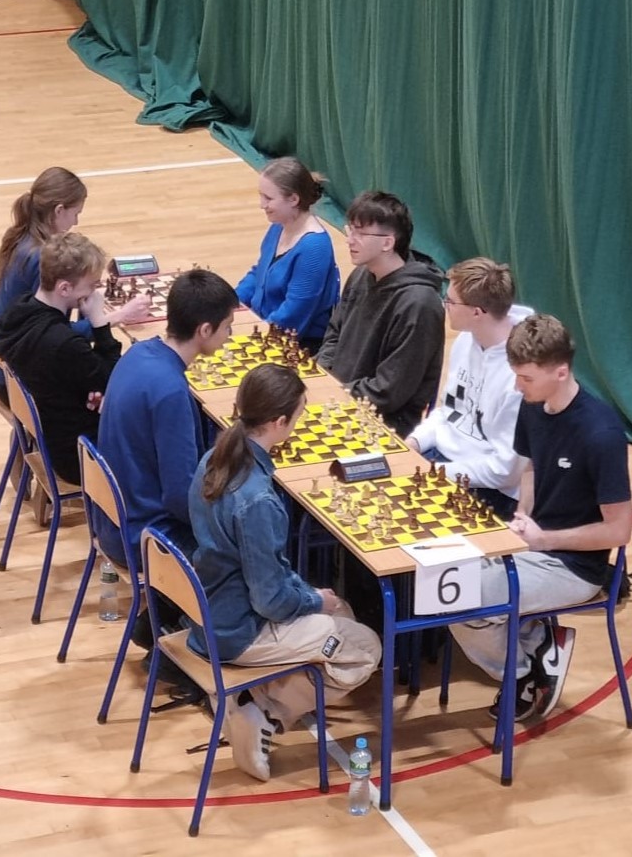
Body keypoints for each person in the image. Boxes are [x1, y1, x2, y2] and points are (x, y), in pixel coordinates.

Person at [187, 363, 382, 783]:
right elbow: (270, 601)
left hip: (209, 610)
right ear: (279, 422)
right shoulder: (257, 499)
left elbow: (264, 571)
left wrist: (312, 596)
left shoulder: (211, 459)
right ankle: (264, 712)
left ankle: (250, 700)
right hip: (240, 630)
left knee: (343, 612)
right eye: (297, 416)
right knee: (365, 647)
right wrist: (313, 600)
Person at [450, 314, 632, 722]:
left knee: (464, 601)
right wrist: (523, 516)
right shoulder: (533, 405)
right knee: (443, 577)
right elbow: (531, 467)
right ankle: (538, 643)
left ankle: (526, 673)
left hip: (573, 566)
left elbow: (620, 530)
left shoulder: (600, 434)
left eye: (526, 378)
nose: (517, 386)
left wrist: (545, 540)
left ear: (561, 372)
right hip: (531, 545)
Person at [95, 268, 239, 566]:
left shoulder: (136, 353)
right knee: (248, 545)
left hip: (111, 521)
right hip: (148, 539)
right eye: (227, 327)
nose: (229, 336)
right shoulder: (171, 392)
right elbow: (180, 497)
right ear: (205, 330)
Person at [0, 167, 149, 399]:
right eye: (76, 213)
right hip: (21, 383)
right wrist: (118, 316)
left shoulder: (22, 236)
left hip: (6, 368)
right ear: (59, 210)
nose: (76, 221)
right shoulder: (40, 257)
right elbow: (55, 335)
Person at [406, 258, 533, 520]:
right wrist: (414, 442)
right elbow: (448, 412)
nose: (445, 305)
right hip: (441, 461)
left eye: (451, 301)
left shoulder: (520, 375)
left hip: (486, 488)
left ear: (477, 312)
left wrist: (434, 471)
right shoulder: (466, 339)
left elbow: (504, 472)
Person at [0, 233, 122, 486]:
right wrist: (99, 323)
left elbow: (78, 374)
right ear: (64, 288)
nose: (95, 292)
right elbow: (113, 380)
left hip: (52, 433)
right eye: (92, 285)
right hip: (79, 455)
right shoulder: (64, 344)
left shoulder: (19, 311)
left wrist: (88, 391)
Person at [317, 191, 444, 436]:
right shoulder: (361, 274)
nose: (349, 240)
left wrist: (333, 394)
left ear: (388, 243)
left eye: (360, 234)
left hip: (383, 423)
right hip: (339, 399)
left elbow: (389, 390)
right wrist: (320, 379)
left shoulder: (419, 304)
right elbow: (334, 334)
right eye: (350, 230)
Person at [235, 158, 340, 352]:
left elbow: (295, 312)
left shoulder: (314, 248)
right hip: (264, 325)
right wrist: (231, 303)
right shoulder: (278, 226)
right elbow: (258, 273)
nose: (261, 205)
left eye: (268, 198)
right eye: (261, 196)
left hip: (295, 343)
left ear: (293, 199)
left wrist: (252, 338)